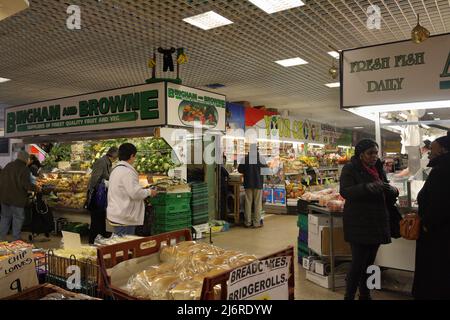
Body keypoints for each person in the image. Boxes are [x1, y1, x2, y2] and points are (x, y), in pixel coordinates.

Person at [339, 139, 398, 300]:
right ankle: (349, 296)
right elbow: (345, 191)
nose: (374, 156)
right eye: (370, 153)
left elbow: (384, 187)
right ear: (360, 154)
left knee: (370, 262)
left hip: (376, 221)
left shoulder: (377, 168)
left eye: (376, 153)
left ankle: (365, 294)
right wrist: (366, 188)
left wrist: (391, 190)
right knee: (358, 263)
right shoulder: (350, 168)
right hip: (358, 221)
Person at [412, 132, 450, 300]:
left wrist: (427, 224)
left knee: (434, 271)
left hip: (437, 233)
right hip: (440, 230)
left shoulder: (442, 170)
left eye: (432, 149)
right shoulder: (442, 167)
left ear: (443, 150)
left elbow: (439, 202)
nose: (429, 153)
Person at [107, 143, 157, 236]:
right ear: (132, 156)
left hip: (117, 213)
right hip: (124, 217)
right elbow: (135, 193)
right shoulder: (127, 172)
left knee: (120, 244)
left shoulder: (116, 169)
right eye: (135, 156)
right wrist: (149, 192)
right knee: (124, 246)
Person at [0, 151, 39, 241]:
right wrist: (37, 188)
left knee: (5, 218)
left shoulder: (8, 165)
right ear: (25, 158)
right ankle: (16, 239)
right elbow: (26, 185)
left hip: (4, 197)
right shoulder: (24, 169)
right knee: (18, 218)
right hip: (17, 199)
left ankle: (1, 239)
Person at [87, 147, 118, 244]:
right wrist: (105, 183)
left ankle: (99, 241)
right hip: (96, 196)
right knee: (96, 221)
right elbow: (94, 180)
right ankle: (92, 242)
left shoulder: (108, 162)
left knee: (100, 220)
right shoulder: (101, 162)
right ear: (114, 156)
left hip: (101, 196)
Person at [238, 144, 267, 228]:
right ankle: (256, 223)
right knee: (257, 203)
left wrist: (246, 171)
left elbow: (240, 169)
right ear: (257, 150)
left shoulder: (245, 159)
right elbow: (266, 171)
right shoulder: (261, 159)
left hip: (248, 183)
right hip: (258, 184)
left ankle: (247, 222)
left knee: (248, 202)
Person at [219, 155, 230, 219]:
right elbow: (227, 175)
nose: (224, 162)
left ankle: (223, 216)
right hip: (222, 188)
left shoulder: (220, 167)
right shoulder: (221, 168)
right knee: (223, 202)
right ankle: (223, 217)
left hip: (221, 187)